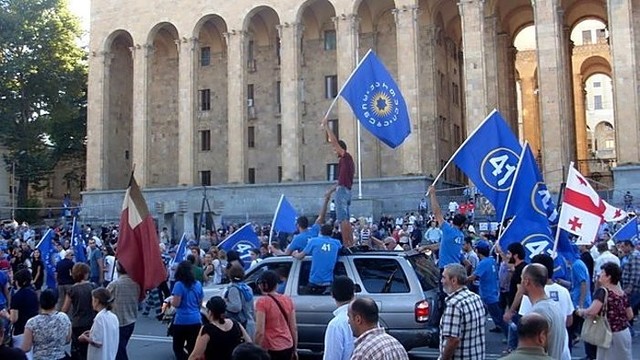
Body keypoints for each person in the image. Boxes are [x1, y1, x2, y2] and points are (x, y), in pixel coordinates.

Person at [576, 262, 633, 360]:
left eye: (602, 272)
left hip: (609, 333)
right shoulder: (621, 293)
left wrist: (581, 311)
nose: (599, 275)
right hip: (624, 333)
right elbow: (630, 315)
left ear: (608, 277)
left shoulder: (603, 292)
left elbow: (592, 311)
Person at [520, 264, 567, 360]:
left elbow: (532, 353)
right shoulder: (555, 307)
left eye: (521, 279)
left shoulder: (538, 312)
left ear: (527, 281)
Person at [439, 263, 486, 360]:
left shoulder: (454, 304)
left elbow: (453, 340)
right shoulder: (475, 298)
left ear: (453, 280)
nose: (441, 281)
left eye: (444, 278)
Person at [322, 117, 355, 247]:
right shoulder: (347, 162)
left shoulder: (345, 157)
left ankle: (347, 244)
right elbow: (340, 181)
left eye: (335, 149)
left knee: (342, 219)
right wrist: (330, 191)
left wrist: (326, 126)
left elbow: (334, 142)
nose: (334, 150)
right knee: (345, 218)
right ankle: (350, 242)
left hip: (343, 191)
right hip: (346, 190)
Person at [188, 296, 251, 360]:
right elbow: (249, 343)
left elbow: (196, 355)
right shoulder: (236, 324)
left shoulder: (207, 329)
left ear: (210, 312)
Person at [467, 241, 508, 339]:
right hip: (493, 292)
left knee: (499, 318)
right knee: (484, 313)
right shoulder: (491, 260)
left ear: (477, 251)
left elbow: (474, 276)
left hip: (488, 295)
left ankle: (509, 337)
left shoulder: (483, 263)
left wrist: (462, 279)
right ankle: (498, 327)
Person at [254, 270, 297, 360]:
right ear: (276, 284)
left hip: (271, 347)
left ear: (262, 285)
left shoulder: (262, 302)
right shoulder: (287, 300)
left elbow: (260, 332)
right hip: (288, 345)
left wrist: (255, 350)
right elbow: (293, 327)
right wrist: (294, 349)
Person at [21, 289, 72, 360]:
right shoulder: (64, 317)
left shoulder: (32, 322)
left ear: (40, 302)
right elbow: (68, 339)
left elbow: (26, 348)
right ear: (55, 302)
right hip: (60, 357)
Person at [292, 224, 342, 291]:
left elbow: (300, 256)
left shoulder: (314, 241)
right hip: (329, 282)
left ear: (320, 232)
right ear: (332, 233)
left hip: (314, 281)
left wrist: (294, 254)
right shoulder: (337, 243)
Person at [106, 262, 140, 360]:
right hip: (131, 319)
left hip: (118, 321)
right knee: (121, 347)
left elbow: (104, 298)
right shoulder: (136, 283)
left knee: (118, 351)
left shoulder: (115, 284)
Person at [171, 261, 204, 360]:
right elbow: (200, 302)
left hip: (182, 320)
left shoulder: (179, 285)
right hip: (196, 319)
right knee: (192, 347)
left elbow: (176, 303)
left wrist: (171, 301)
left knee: (178, 347)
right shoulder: (198, 284)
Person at [62, 262, 96, 360]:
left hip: (77, 322)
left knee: (77, 349)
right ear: (85, 273)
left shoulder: (72, 290)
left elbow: (65, 309)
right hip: (91, 321)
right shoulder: (93, 287)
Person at [2, 268, 38, 357]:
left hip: (20, 330)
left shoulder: (17, 297)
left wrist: (5, 314)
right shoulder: (34, 294)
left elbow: (14, 319)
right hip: (33, 328)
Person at [79, 287, 119, 360]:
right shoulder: (113, 317)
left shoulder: (99, 318)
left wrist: (84, 337)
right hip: (110, 355)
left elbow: (97, 342)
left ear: (96, 301)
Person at [323, 276, 355, 360]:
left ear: (332, 294)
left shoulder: (335, 325)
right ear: (353, 293)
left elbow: (331, 356)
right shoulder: (367, 318)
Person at [223, 264, 255, 338]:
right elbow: (252, 308)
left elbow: (236, 307)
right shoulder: (248, 288)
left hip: (242, 325)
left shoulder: (233, 289)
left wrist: (225, 303)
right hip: (250, 322)